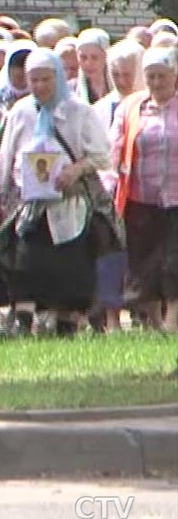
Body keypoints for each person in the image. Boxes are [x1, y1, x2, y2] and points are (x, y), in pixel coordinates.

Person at [0, 49, 111, 336]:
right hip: (29, 205)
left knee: (69, 267)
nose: (40, 86)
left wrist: (75, 170)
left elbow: (102, 156)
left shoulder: (79, 111)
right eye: (34, 80)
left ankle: (66, 324)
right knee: (26, 264)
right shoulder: (21, 112)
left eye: (46, 79)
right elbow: (4, 160)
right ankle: (23, 321)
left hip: (68, 206)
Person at [110, 46, 178, 332]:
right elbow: (115, 146)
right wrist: (110, 180)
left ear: (175, 75)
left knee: (174, 261)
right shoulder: (132, 107)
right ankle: (153, 324)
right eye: (151, 76)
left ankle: (173, 322)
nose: (156, 83)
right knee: (144, 263)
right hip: (140, 198)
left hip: (175, 198)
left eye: (162, 76)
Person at [75, 28, 113, 103]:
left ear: (105, 56)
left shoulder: (120, 84)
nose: (88, 63)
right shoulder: (72, 89)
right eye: (83, 57)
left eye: (94, 57)